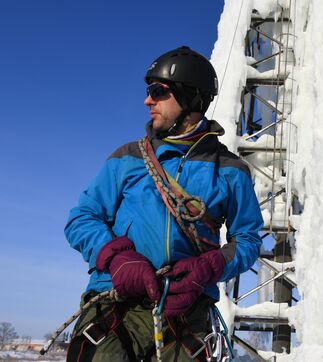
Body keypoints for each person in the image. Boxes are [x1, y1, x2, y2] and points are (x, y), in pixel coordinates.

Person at [64, 45, 263, 361]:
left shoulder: (230, 170)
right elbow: (82, 218)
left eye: (158, 92)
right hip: (116, 301)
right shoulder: (127, 158)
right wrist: (118, 259)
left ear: (190, 98)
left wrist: (209, 267)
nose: (147, 101)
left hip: (188, 307)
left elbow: (248, 239)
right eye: (149, 92)